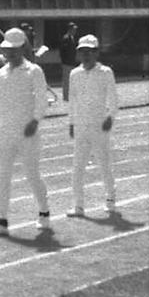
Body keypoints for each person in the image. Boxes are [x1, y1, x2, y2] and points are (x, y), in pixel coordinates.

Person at [0, 26, 53, 236]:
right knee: (2, 177)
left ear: (23, 48)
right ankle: (1, 221)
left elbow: (42, 100)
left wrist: (35, 120)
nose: (11, 53)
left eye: (15, 49)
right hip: (5, 132)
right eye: (7, 50)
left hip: (27, 133)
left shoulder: (34, 71)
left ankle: (44, 211)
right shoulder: (1, 73)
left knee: (32, 175)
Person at [65, 33, 117, 216]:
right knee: (77, 167)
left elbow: (113, 98)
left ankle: (110, 199)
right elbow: (72, 100)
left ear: (96, 53)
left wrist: (110, 117)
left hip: (99, 126)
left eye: (89, 51)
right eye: (82, 51)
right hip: (81, 126)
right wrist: (71, 122)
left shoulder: (106, 73)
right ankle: (78, 205)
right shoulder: (74, 74)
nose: (85, 55)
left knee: (104, 164)